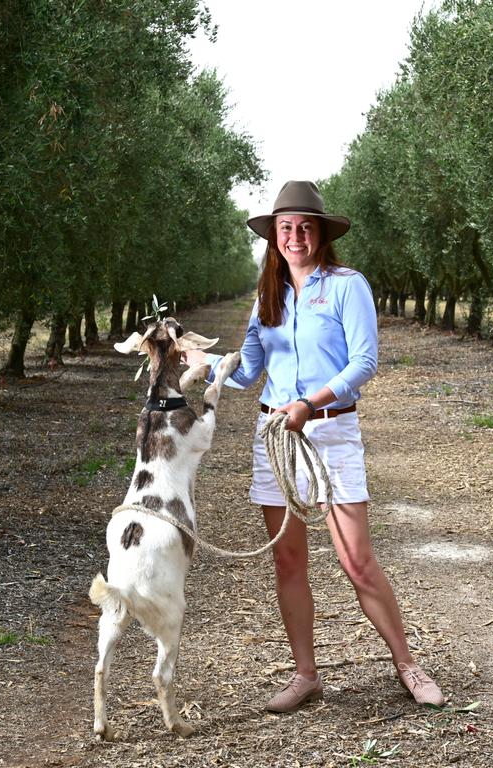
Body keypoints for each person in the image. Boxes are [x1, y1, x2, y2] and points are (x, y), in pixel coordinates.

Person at [184, 180, 445, 713]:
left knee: (356, 560)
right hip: (276, 436)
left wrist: (310, 403)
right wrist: (200, 361)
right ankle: (306, 675)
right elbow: (251, 371)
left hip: (330, 431)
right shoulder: (267, 299)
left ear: (321, 234)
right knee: (287, 561)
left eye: (305, 227)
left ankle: (408, 665)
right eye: (286, 228)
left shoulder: (349, 286)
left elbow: (363, 364)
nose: (296, 236)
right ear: (274, 237)